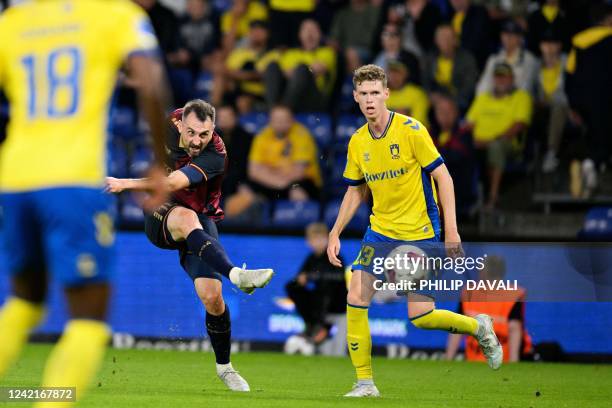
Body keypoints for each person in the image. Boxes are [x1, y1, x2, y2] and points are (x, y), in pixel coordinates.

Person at [0, 0, 169, 404]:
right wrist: (160, 162)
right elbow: (149, 80)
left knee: (24, 301)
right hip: (73, 180)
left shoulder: (14, 21)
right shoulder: (115, 16)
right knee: (88, 317)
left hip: (15, 178)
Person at [326, 64, 502, 398]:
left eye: (375, 93)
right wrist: (335, 232)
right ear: (355, 97)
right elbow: (355, 190)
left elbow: (443, 177)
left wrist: (452, 231)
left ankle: (479, 326)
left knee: (420, 316)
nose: (369, 100)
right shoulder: (357, 141)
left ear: (386, 94)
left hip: (419, 232)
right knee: (356, 295)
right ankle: (365, 383)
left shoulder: (411, 130)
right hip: (379, 232)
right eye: (363, 94)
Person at [105, 99, 274, 392]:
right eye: (192, 133)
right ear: (180, 124)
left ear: (213, 130)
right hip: (161, 213)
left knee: (212, 298)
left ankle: (225, 368)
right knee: (183, 216)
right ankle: (237, 275)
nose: (197, 141)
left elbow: (172, 181)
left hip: (200, 220)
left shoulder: (215, 154)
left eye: (204, 134)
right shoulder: (169, 124)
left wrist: (123, 183)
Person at [466, 62, 532, 209]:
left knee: (495, 148)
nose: (501, 80)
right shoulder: (483, 98)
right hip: (477, 142)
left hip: (506, 143)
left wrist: (492, 140)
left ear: (512, 79)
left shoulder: (521, 97)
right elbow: (468, 124)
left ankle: (492, 197)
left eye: (504, 77)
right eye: (498, 77)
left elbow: (520, 124)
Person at [445, 256, 533, 363]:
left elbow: (514, 329)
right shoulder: (470, 293)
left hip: (496, 362)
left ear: (483, 272)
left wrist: (448, 359)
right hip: (488, 361)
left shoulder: (470, 293)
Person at [285, 223, 347, 345]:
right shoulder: (311, 258)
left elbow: (337, 278)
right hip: (319, 306)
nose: (317, 242)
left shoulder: (334, 256)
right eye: (314, 239)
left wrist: (309, 276)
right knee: (292, 287)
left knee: (325, 288)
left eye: (320, 238)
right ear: (308, 241)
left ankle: (321, 326)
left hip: (337, 305)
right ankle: (312, 325)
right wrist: (302, 279)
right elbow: (300, 278)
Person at [247, 105, 322, 201]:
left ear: (291, 120)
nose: (280, 123)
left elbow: (298, 173)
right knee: (245, 189)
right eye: (276, 120)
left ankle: (300, 215)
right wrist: (277, 181)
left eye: (284, 119)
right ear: (270, 121)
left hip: (301, 182)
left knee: (296, 191)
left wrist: (268, 171)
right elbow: (253, 172)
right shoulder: (262, 135)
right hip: (274, 182)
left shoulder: (302, 135)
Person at [264, 19, 336, 112]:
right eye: (306, 30)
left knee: (302, 69)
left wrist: (301, 71)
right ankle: (273, 109)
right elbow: (281, 73)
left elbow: (317, 70)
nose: (309, 34)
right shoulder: (290, 53)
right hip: (290, 92)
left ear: (320, 34)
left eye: (313, 30)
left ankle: (284, 110)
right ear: (299, 35)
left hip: (314, 98)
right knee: (272, 66)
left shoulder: (327, 52)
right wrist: (303, 71)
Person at [422, 24, 479, 113]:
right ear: (436, 40)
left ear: (455, 40)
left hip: (459, 103)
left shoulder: (467, 59)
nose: (445, 41)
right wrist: (430, 95)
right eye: (441, 37)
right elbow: (425, 82)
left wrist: (448, 101)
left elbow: (468, 88)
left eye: (449, 37)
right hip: (434, 103)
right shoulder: (429, 59)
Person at [476, 19, 539, 95]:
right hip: (494, 101)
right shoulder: (494, 59)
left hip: (517, 102)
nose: (508, 38)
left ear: (520, 38)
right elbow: (483, 86)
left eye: (512, 35)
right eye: (505, 34)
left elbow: (525, 88)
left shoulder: (529, 59)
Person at [385, 60, 430, 127]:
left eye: (398, 73)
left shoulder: (417, 94)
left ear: (406, 74)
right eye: (391, 72)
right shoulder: (381, 95)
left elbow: (417, 125)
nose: (394, 76)